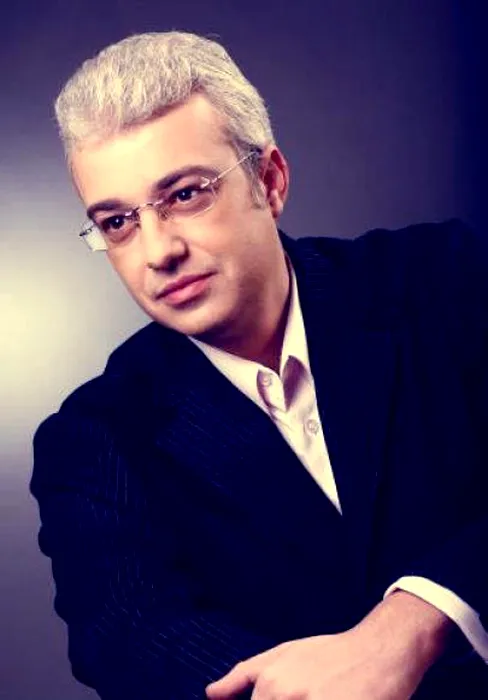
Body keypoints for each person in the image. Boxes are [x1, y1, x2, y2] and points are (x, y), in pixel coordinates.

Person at [30, 31, 488, 699]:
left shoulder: (445, 279)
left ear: (269, 182)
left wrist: (417, 620)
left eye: (185, 194)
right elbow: (126, 635)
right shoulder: (91, 436)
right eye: (118, 222)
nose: (157, 251)